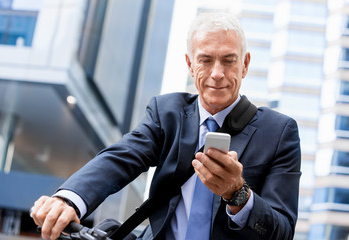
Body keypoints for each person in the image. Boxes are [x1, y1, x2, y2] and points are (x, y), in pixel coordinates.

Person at [31, 12, 301, 240]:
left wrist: (237, 193)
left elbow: (283, 230)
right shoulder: (166, 112)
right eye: (206, 60)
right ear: (189, 64)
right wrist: (70, 198)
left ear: (245, 65)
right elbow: (120, 158)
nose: (217, 73)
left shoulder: (279, 132)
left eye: (228, 60)